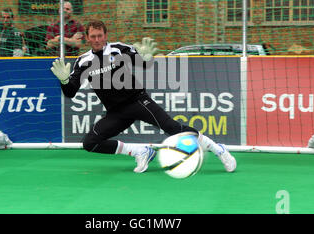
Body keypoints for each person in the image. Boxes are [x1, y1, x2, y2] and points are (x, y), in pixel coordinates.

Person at [51, 20, 236, 173]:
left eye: (100, 36)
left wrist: (146, 57)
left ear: (105, 36)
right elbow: (71, 92)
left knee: (172, 127)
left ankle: (217, 149)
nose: (97, 39)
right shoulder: (83, 61)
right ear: (87, 38)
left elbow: (142, 63)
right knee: (89, 142)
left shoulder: (118, 49)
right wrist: (65, 81)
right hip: (116, 112)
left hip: (138, 101)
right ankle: (140, 152)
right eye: (93, 36)